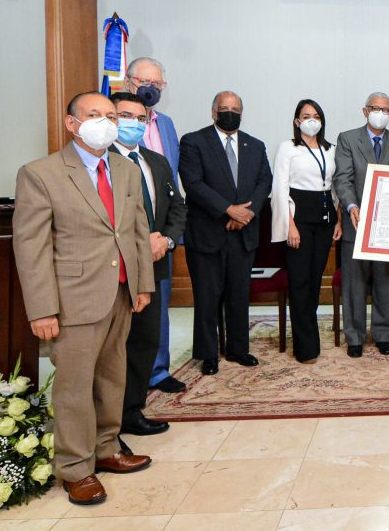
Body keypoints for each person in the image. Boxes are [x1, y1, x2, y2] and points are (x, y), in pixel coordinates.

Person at [13, 91, 155, 505]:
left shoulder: (125, 171)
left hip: (120, 293)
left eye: (111, 115)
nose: (107, 122)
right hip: (73, 298)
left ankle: (106, 449)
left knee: (112, 377)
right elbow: (32, 247)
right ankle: (75, 467)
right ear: (72, 123)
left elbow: (137, 231)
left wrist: (142, 283)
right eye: (96, 115)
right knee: (74, 387)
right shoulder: (41, 174)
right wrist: (42, 309)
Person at [108, 92, 187, 441]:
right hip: (115, 268)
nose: (134, 124)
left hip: (154, 264)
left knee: (144, 339)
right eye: (126, 116)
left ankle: (131, 411)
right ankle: (106, 417)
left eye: (141, 119)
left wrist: (166, 240)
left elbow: (178, 208)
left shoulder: (156, 161)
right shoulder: (100, 163)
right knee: (112, 344)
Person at [179, 91, 272, 376]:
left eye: (235, 109)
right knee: (207, 297)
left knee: (237, 294)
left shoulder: (255, 145)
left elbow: (264, 180)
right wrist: (228, 210)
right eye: (224, 108)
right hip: (207, 232)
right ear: (213, 112)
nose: (229, 112)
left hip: (243, 234)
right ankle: (208, 354)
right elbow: (192, 183)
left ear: (242, 113)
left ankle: (238, 349)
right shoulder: (194, 141)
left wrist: (247, 213)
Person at [124, 56, 185, 394]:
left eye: (157, 84)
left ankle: (157, 371)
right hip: (126, 235)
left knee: (159, 305)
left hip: (162, 235)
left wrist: (169, 235)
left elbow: (171, 181)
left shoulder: (166, 125)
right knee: (129, 310)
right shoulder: (117, 126)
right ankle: (128, 377)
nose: (150, 89)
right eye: (144, 82)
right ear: (129, 82)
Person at [334, 92, 389, 357]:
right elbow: (343, 179)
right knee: (353, 282)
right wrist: (352, 206)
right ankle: (354, 338)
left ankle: (382, 334)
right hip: (356, 221)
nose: (381, 113)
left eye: (386, 109)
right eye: (376, 108)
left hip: (387, 226)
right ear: (365, 111)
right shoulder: (347, 139)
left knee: (385, 280)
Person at [271, 99, 342, 364]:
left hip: (325, 219)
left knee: (313, 281)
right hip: (298, 219)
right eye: (305, 116)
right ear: (296, 121)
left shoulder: (330, 149)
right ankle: (306, 347)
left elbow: (334, 186)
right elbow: (280, 187)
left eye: (316, 115)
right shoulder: (288, 148)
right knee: (299, 283)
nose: (311, 120)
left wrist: (338, 219)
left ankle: (309, 335)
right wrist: (289, 225)